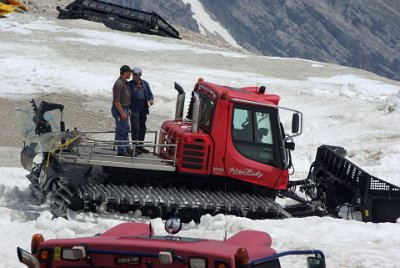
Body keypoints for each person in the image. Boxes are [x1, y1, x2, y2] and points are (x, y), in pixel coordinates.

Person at [129, 67, 154, 153]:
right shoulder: (129, 84)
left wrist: (151, 99)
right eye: (134, 74)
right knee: (135, 128)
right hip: (134, 109)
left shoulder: (145, 83)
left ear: (140, 75)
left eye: (137, 75)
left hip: (143, 109)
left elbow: (150, 94)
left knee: (142, 128)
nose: (135, 76)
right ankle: (135, 147)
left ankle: (140, 146)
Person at [111, 65, 133, 157]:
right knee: (121, 130)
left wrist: (127, 110)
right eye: (129, 73)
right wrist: (122, 113)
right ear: (125, 72)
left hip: (125, 108)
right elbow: (116, 101)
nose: (131, 74)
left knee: (126, 129)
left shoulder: (125, 83)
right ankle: (121, 151)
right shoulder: (119, 84)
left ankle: (127, 148)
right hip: (120, 109)